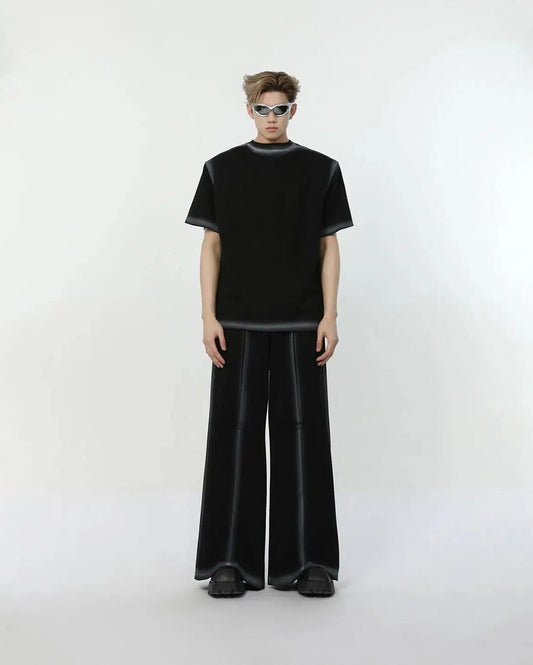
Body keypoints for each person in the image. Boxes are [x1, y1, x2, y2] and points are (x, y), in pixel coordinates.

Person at [184, 70, 354, 598]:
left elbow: (329, 247)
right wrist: (208, 316)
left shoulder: (321, 170)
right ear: (250, 110)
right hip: (236, 324)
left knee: (304, 437)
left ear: (293, 111)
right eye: (263, 109)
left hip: (302, 324)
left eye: (281, 109)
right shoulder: (221, 169)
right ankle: (228, 561)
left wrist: (330, 316)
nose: (272, 118)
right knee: (233, 438)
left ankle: (309, 561)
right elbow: (211, 246)